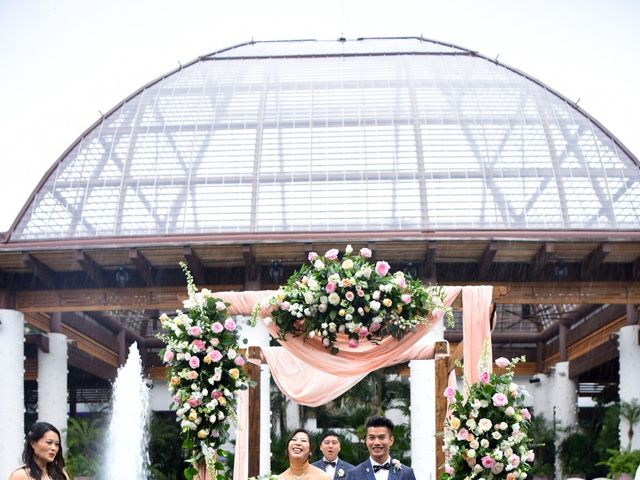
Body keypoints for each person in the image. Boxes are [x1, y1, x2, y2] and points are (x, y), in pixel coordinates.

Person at [346, 416, 415, 480]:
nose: (376, 443)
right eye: (372, 438)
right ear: (366, 440)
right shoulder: (354, 474)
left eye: (381, 437)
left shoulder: (406, 473)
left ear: (391, 440)